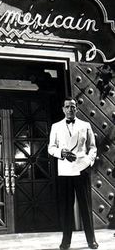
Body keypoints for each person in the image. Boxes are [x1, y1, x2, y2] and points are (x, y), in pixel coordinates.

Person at [48, 97, 98, 250]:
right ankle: (66, 242)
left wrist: (88, 162)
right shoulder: (56, 126)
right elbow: (51, 147)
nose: (70, 109)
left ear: (77, 109)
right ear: (63, 109)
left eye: (73, 106)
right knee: (66, 208)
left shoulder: (85, 125)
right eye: (67, 106)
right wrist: (60, 153)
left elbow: (92, 148)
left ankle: (91, 241)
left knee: (85, 206)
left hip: (81, 170)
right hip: (64, 171)